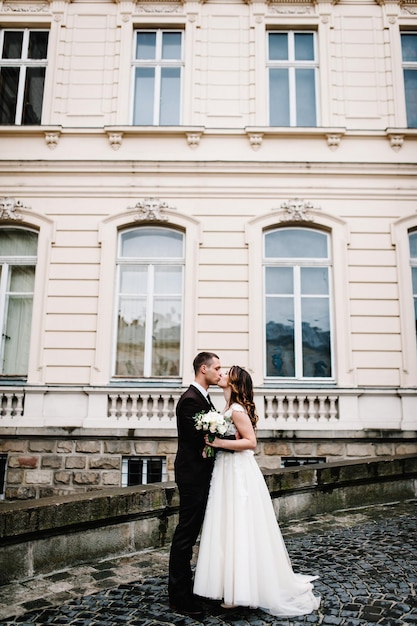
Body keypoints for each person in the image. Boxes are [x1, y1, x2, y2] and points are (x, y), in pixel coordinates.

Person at [193, 365, 321, 617]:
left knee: (239, 525)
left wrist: (218, 442)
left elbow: (251, 442)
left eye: (227, 372)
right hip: (225, 469)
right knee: (226, 525)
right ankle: (229, 586)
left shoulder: (237, 409)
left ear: (235, 382)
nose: (222, 374)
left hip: (237, 471)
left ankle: (240, 591)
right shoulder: (226, 409)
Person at [168, 351, 222, 617]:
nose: (220, 373)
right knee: (185, 535)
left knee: (192, 533)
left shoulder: (202, 397)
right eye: (217, 368)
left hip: (201, 473)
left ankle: (191, 589)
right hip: (192, 476)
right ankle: (179, 596)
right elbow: (197, 439)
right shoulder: (190, 400)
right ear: (204, 368)